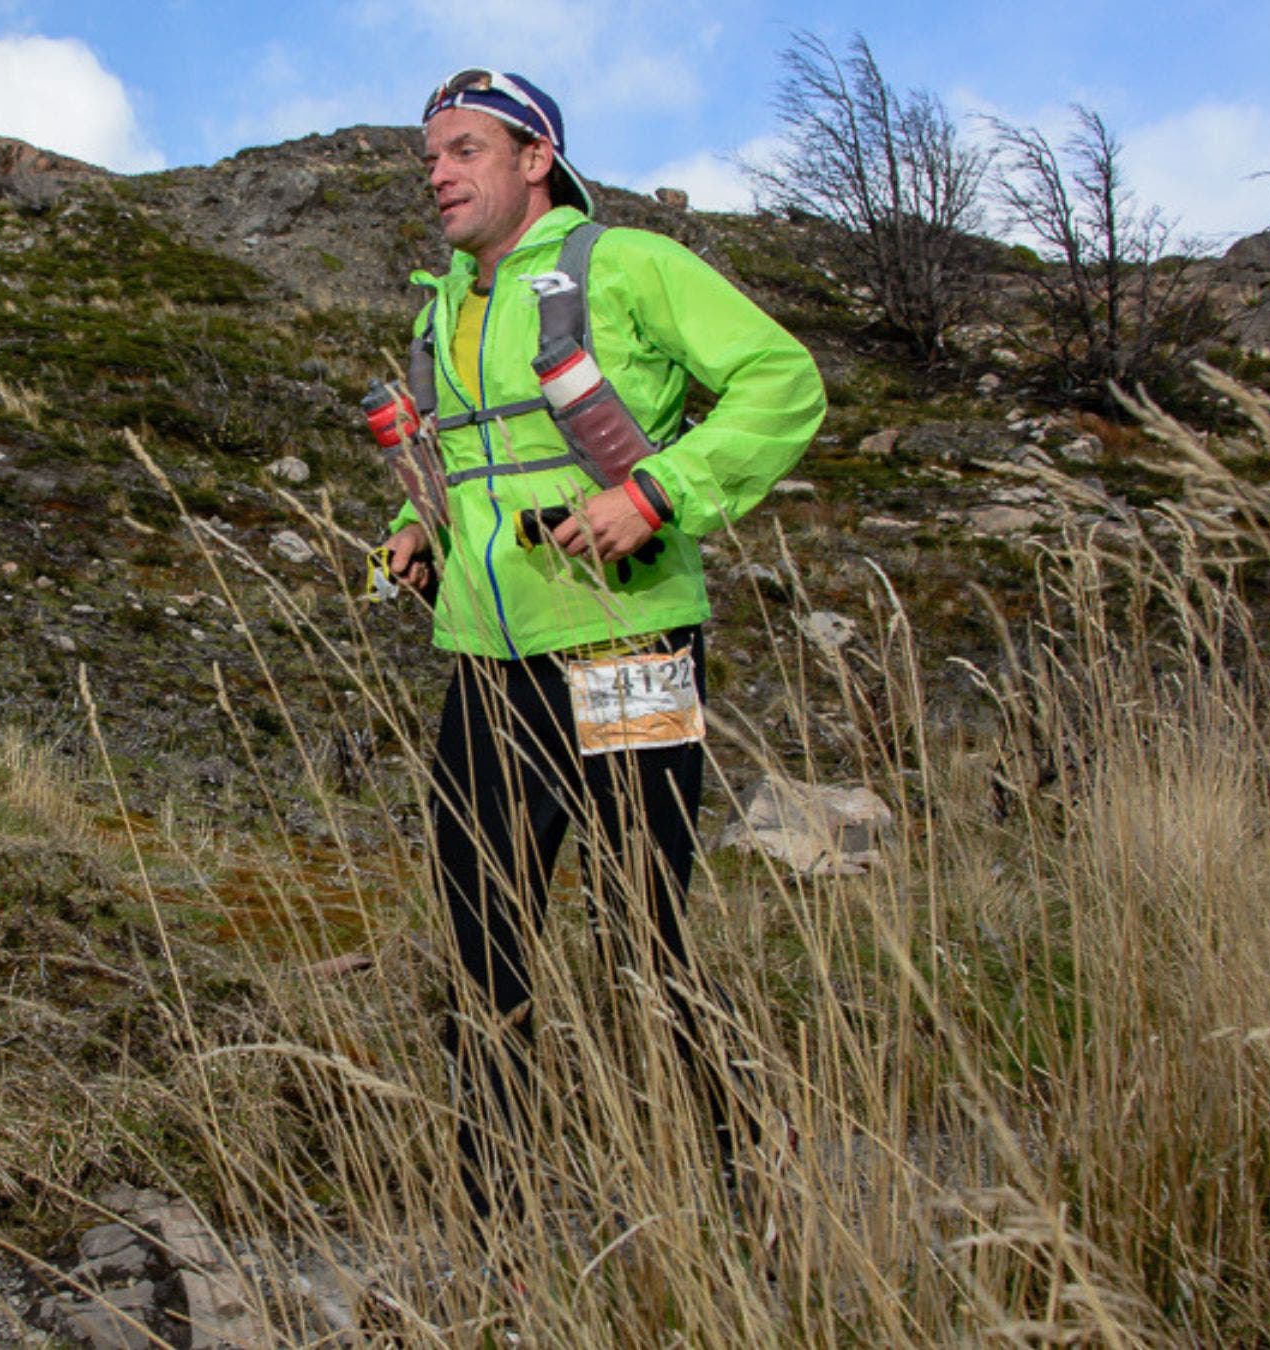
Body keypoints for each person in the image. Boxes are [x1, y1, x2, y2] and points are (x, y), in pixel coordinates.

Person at [381, 68, 825, 1220]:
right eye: (431, 157)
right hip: (486, 665)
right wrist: (423, 533)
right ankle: (498, 1218)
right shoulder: (441, 312)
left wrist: (658, 494)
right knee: (483, 939)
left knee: (642, 931)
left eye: (465, 150)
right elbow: (471, 469)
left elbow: (783, 382)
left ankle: (742, 1174)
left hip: (629, 645)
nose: (438, 174)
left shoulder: (625, 266)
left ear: (535, 159)